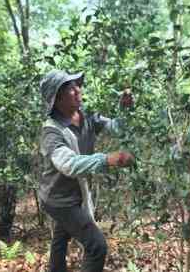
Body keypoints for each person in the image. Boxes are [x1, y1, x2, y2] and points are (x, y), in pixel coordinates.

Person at [39, 69, 135, 272]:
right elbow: (68, 164)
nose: (77, 90)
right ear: (56, 99)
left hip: (73, 194)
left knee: (61, 236)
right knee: (96, 246)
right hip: (58, 200)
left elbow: (118, 127)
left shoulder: (87, 117)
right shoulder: (51, 131)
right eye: (69, 88)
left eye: (77, 85)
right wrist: (108, 159)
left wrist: (125, 109)